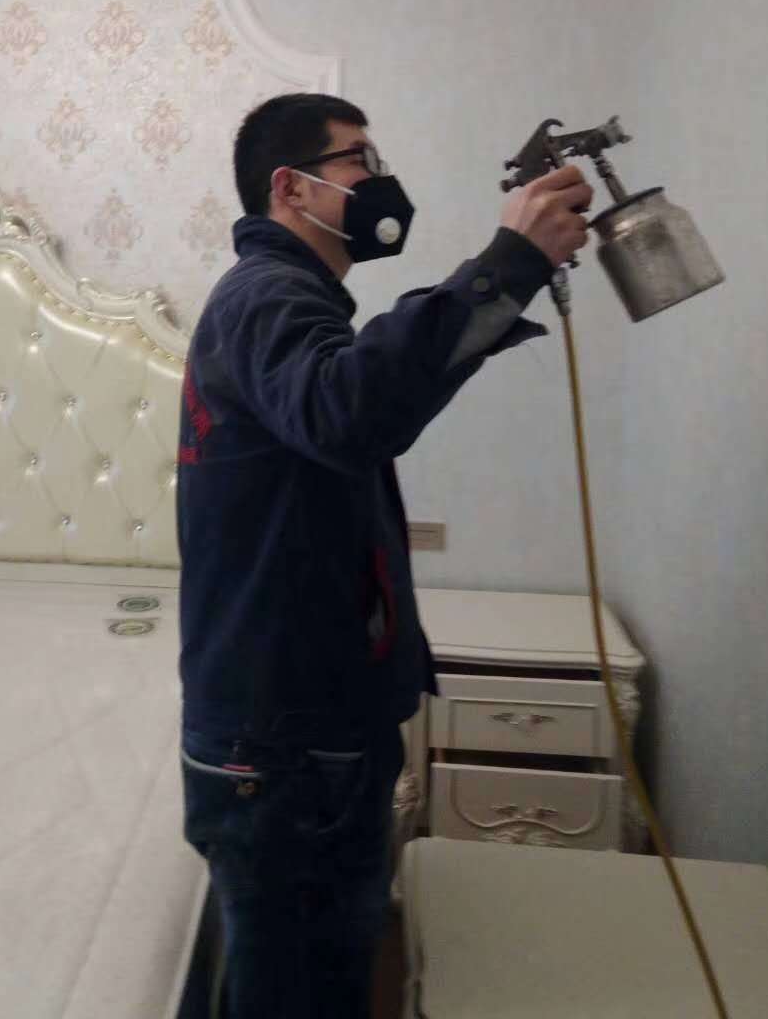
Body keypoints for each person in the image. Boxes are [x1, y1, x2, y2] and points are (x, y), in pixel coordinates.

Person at [176, 92, 593, 1018]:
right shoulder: (266, 296)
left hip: (296, 723)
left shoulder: (289, 302)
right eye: (359, 160)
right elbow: (349, 410)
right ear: (291, 188)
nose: (380, 179)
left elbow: (354, 404)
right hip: (284, 743)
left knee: (305, 976)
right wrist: (511, 262)